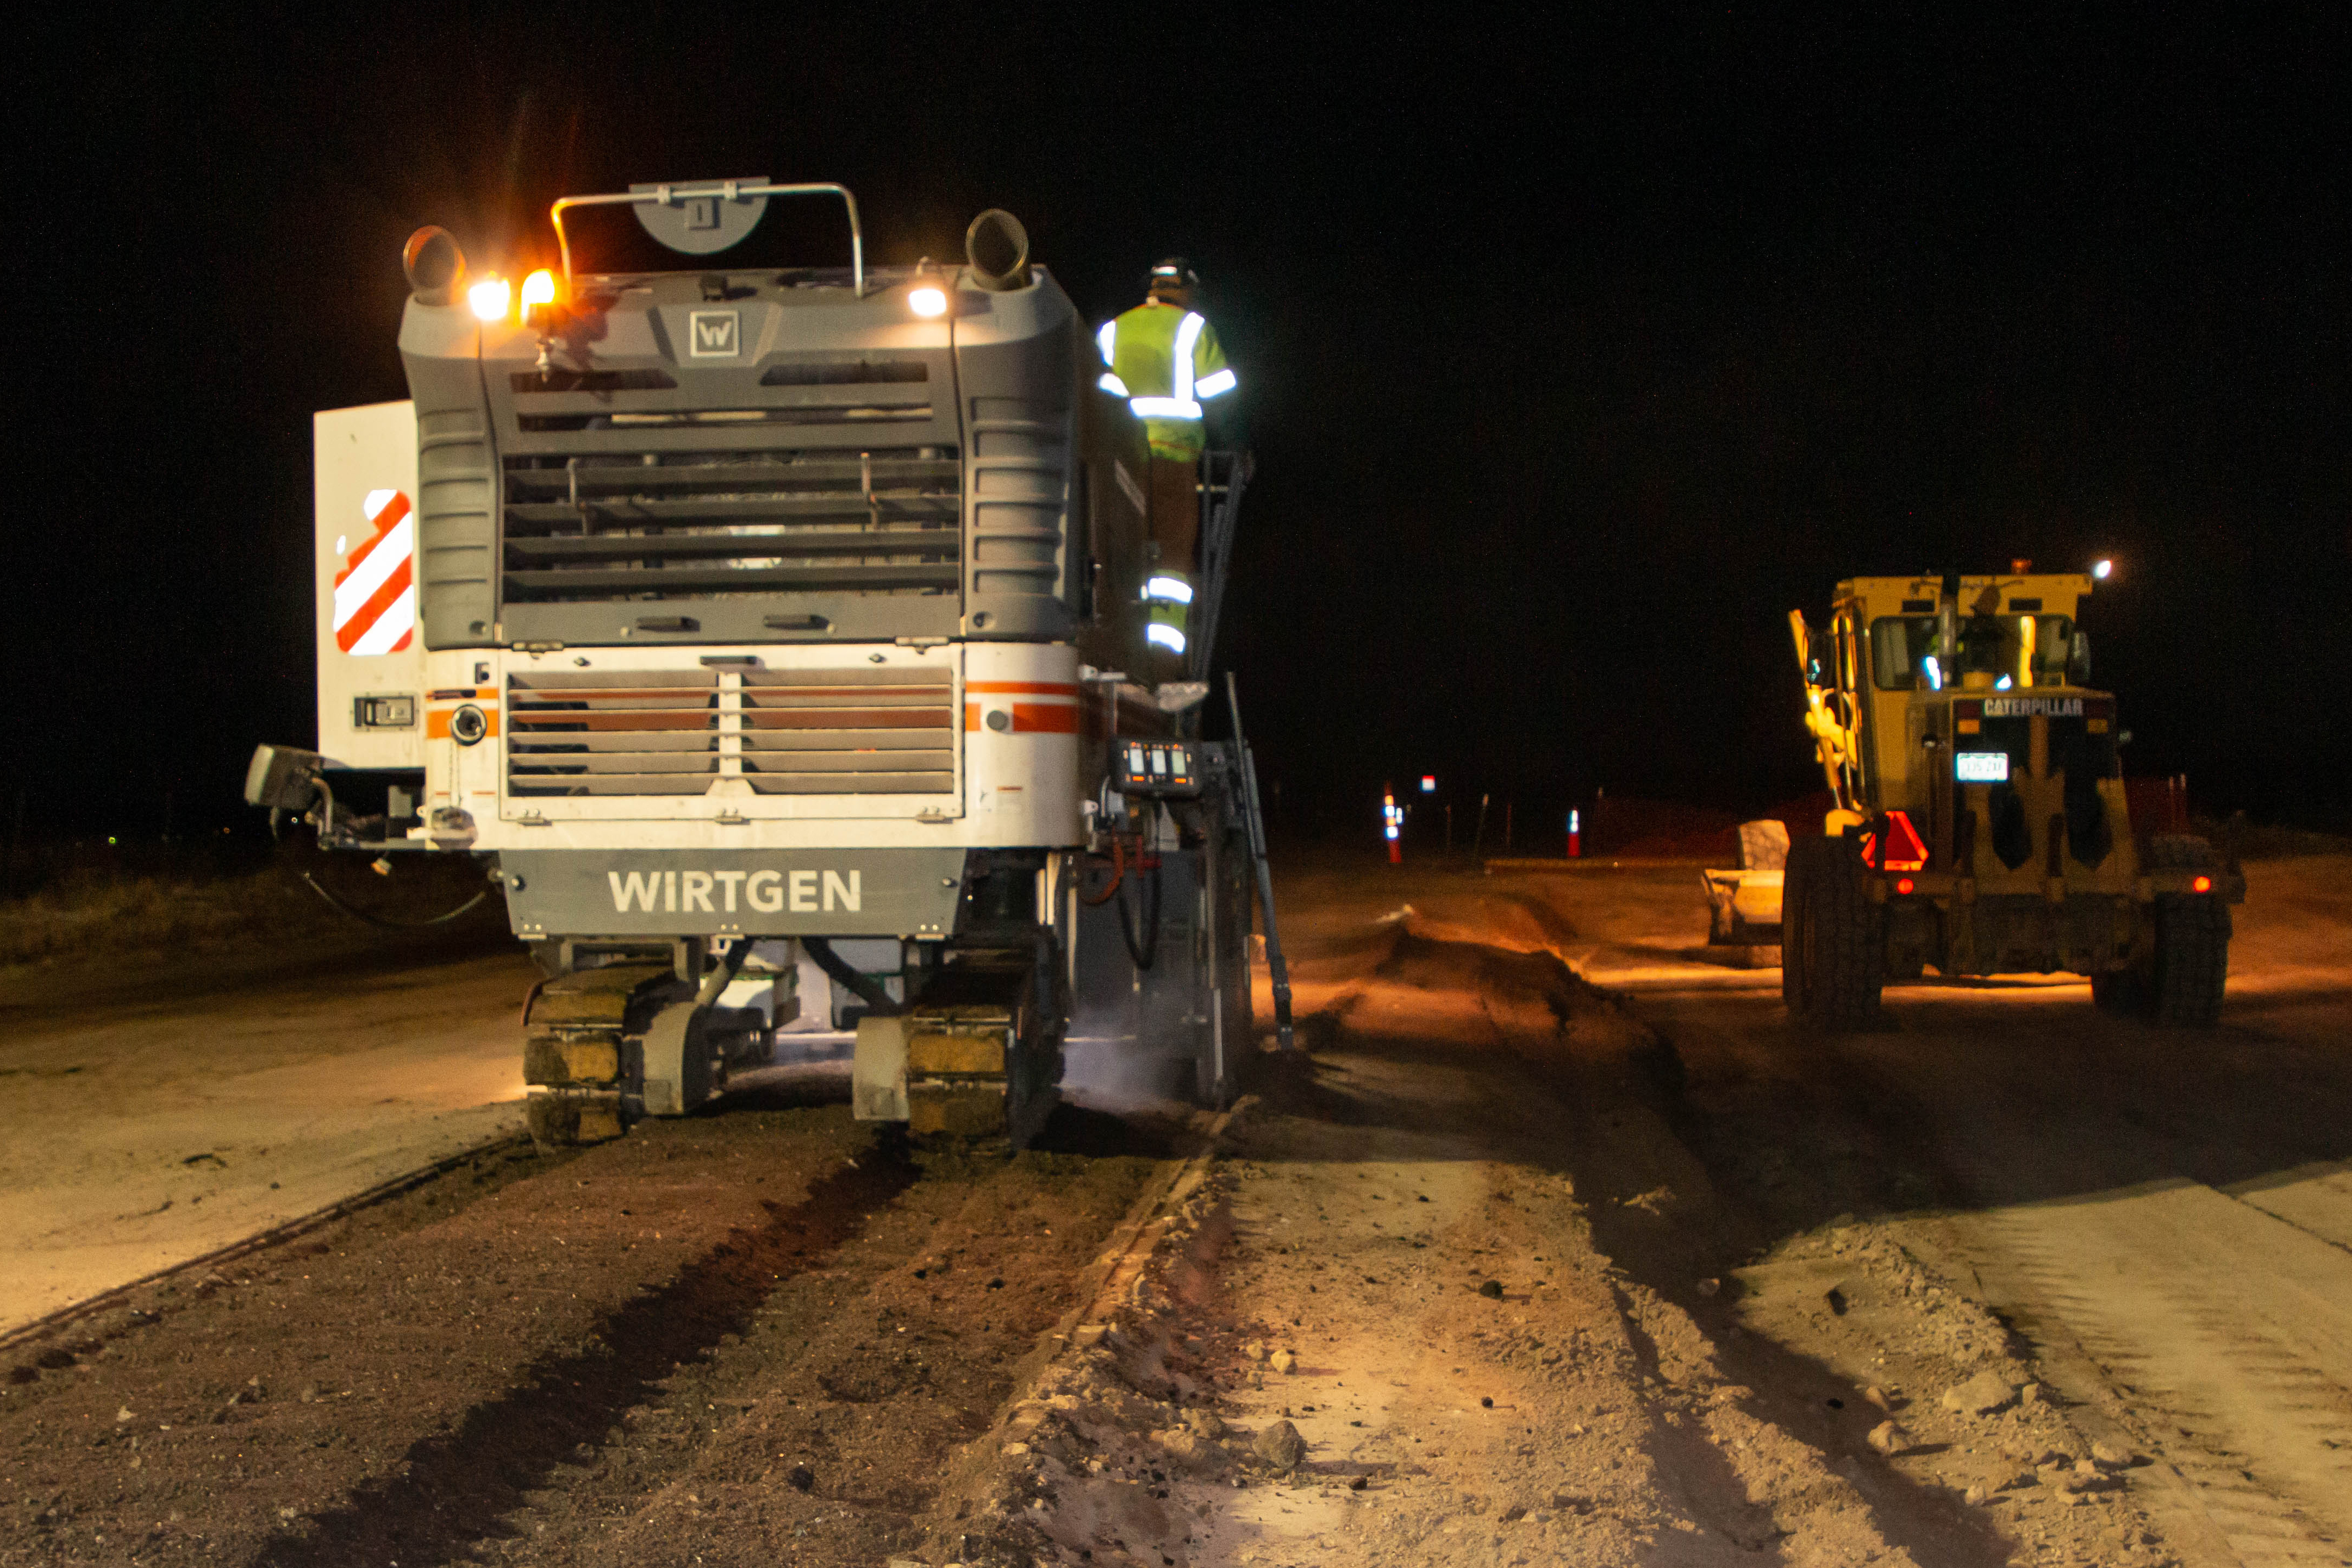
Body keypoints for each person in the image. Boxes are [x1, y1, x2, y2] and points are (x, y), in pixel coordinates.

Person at [1095, 259, 1238, 659]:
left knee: (1120, 548)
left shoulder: (1113, 330)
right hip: (1172, 457)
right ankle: (1162, 654)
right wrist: (1236, 446)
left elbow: (1098, 391)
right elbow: (1220, 395)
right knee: (1171, 555)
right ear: (1187, 290)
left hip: (1119, 460)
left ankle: (1118, 638)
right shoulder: (1193, 328)